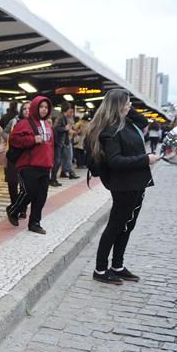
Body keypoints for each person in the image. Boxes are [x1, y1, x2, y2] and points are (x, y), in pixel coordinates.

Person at [85, 89, 159, 284]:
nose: (130, 106)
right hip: (123, 185)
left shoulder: (126, 123)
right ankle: (100, 269)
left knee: (128, 225)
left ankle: (117, 265)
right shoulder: (110, 130)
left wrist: (127, 108)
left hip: (136, 183)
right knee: (115, 226)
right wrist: (145, 159)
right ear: (118, 106)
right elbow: (115, 161)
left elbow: (143, 122)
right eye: (126, 103)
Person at [5, 96, 55, 234]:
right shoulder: (25, 123)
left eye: (46, 107)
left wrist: (51, 162)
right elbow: (14, 139)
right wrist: (32, 139)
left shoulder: (49, 125)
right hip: (29, 164)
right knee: (29, 191)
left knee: (41, 196)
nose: (44, 109)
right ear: (35, 108)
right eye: (41, 107)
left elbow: (51, 146)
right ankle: (13, 210)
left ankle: (35, 223)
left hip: (45, 165)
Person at [3, 101, 28, 219]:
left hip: (28, 158)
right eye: (25, 109)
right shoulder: (14, 121)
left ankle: (22, 208)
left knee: (25, 185)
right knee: (12, 183)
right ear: (21, 110)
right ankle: (14, 205)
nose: (27, 111)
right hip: (13, 156)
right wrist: (13, 138)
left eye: (30, 109)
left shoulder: (36, 123)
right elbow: (4, 133)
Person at [50, 102, 78, 185]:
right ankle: (53, 179)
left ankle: (54, 179)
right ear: (67, 109)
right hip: (58, 142)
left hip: (61, 143)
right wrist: (65, 128)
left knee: (58, 161)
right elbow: (56, 128)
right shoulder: (61, 117)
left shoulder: (63, 117)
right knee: (57, 161)